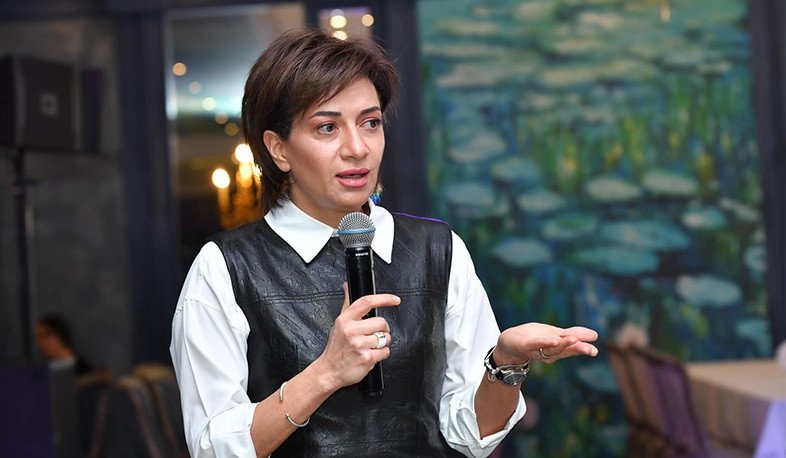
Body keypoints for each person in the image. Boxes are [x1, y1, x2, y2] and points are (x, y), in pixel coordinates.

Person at [169, 28, 599, 458]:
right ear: (278, 149)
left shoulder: (438, 249)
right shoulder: (226, 268)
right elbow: (212, 448)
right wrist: (326, 373)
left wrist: (505, 363)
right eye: (327, 127)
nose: (358, 148)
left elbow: (472, 434)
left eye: (370, 123)